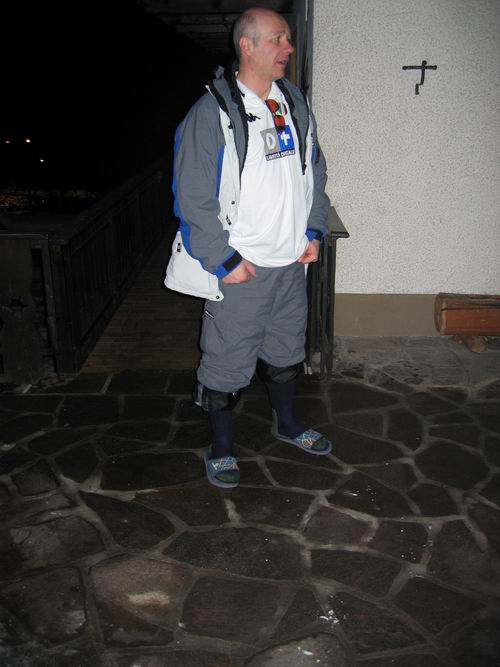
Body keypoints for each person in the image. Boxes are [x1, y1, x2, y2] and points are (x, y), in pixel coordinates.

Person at [165, 7, 332, 488]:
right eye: (278, 39)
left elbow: (315, 172)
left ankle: (288, 424)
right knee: (226, 362)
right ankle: (221, 448)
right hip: (242, 270)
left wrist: (313, 230)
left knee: (286, 352)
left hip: (290, 264)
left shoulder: (294, 103)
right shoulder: (210, 114)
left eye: (288, 39)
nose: (288, 48)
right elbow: (192, 196)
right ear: (247, 45)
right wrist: (224, 260)